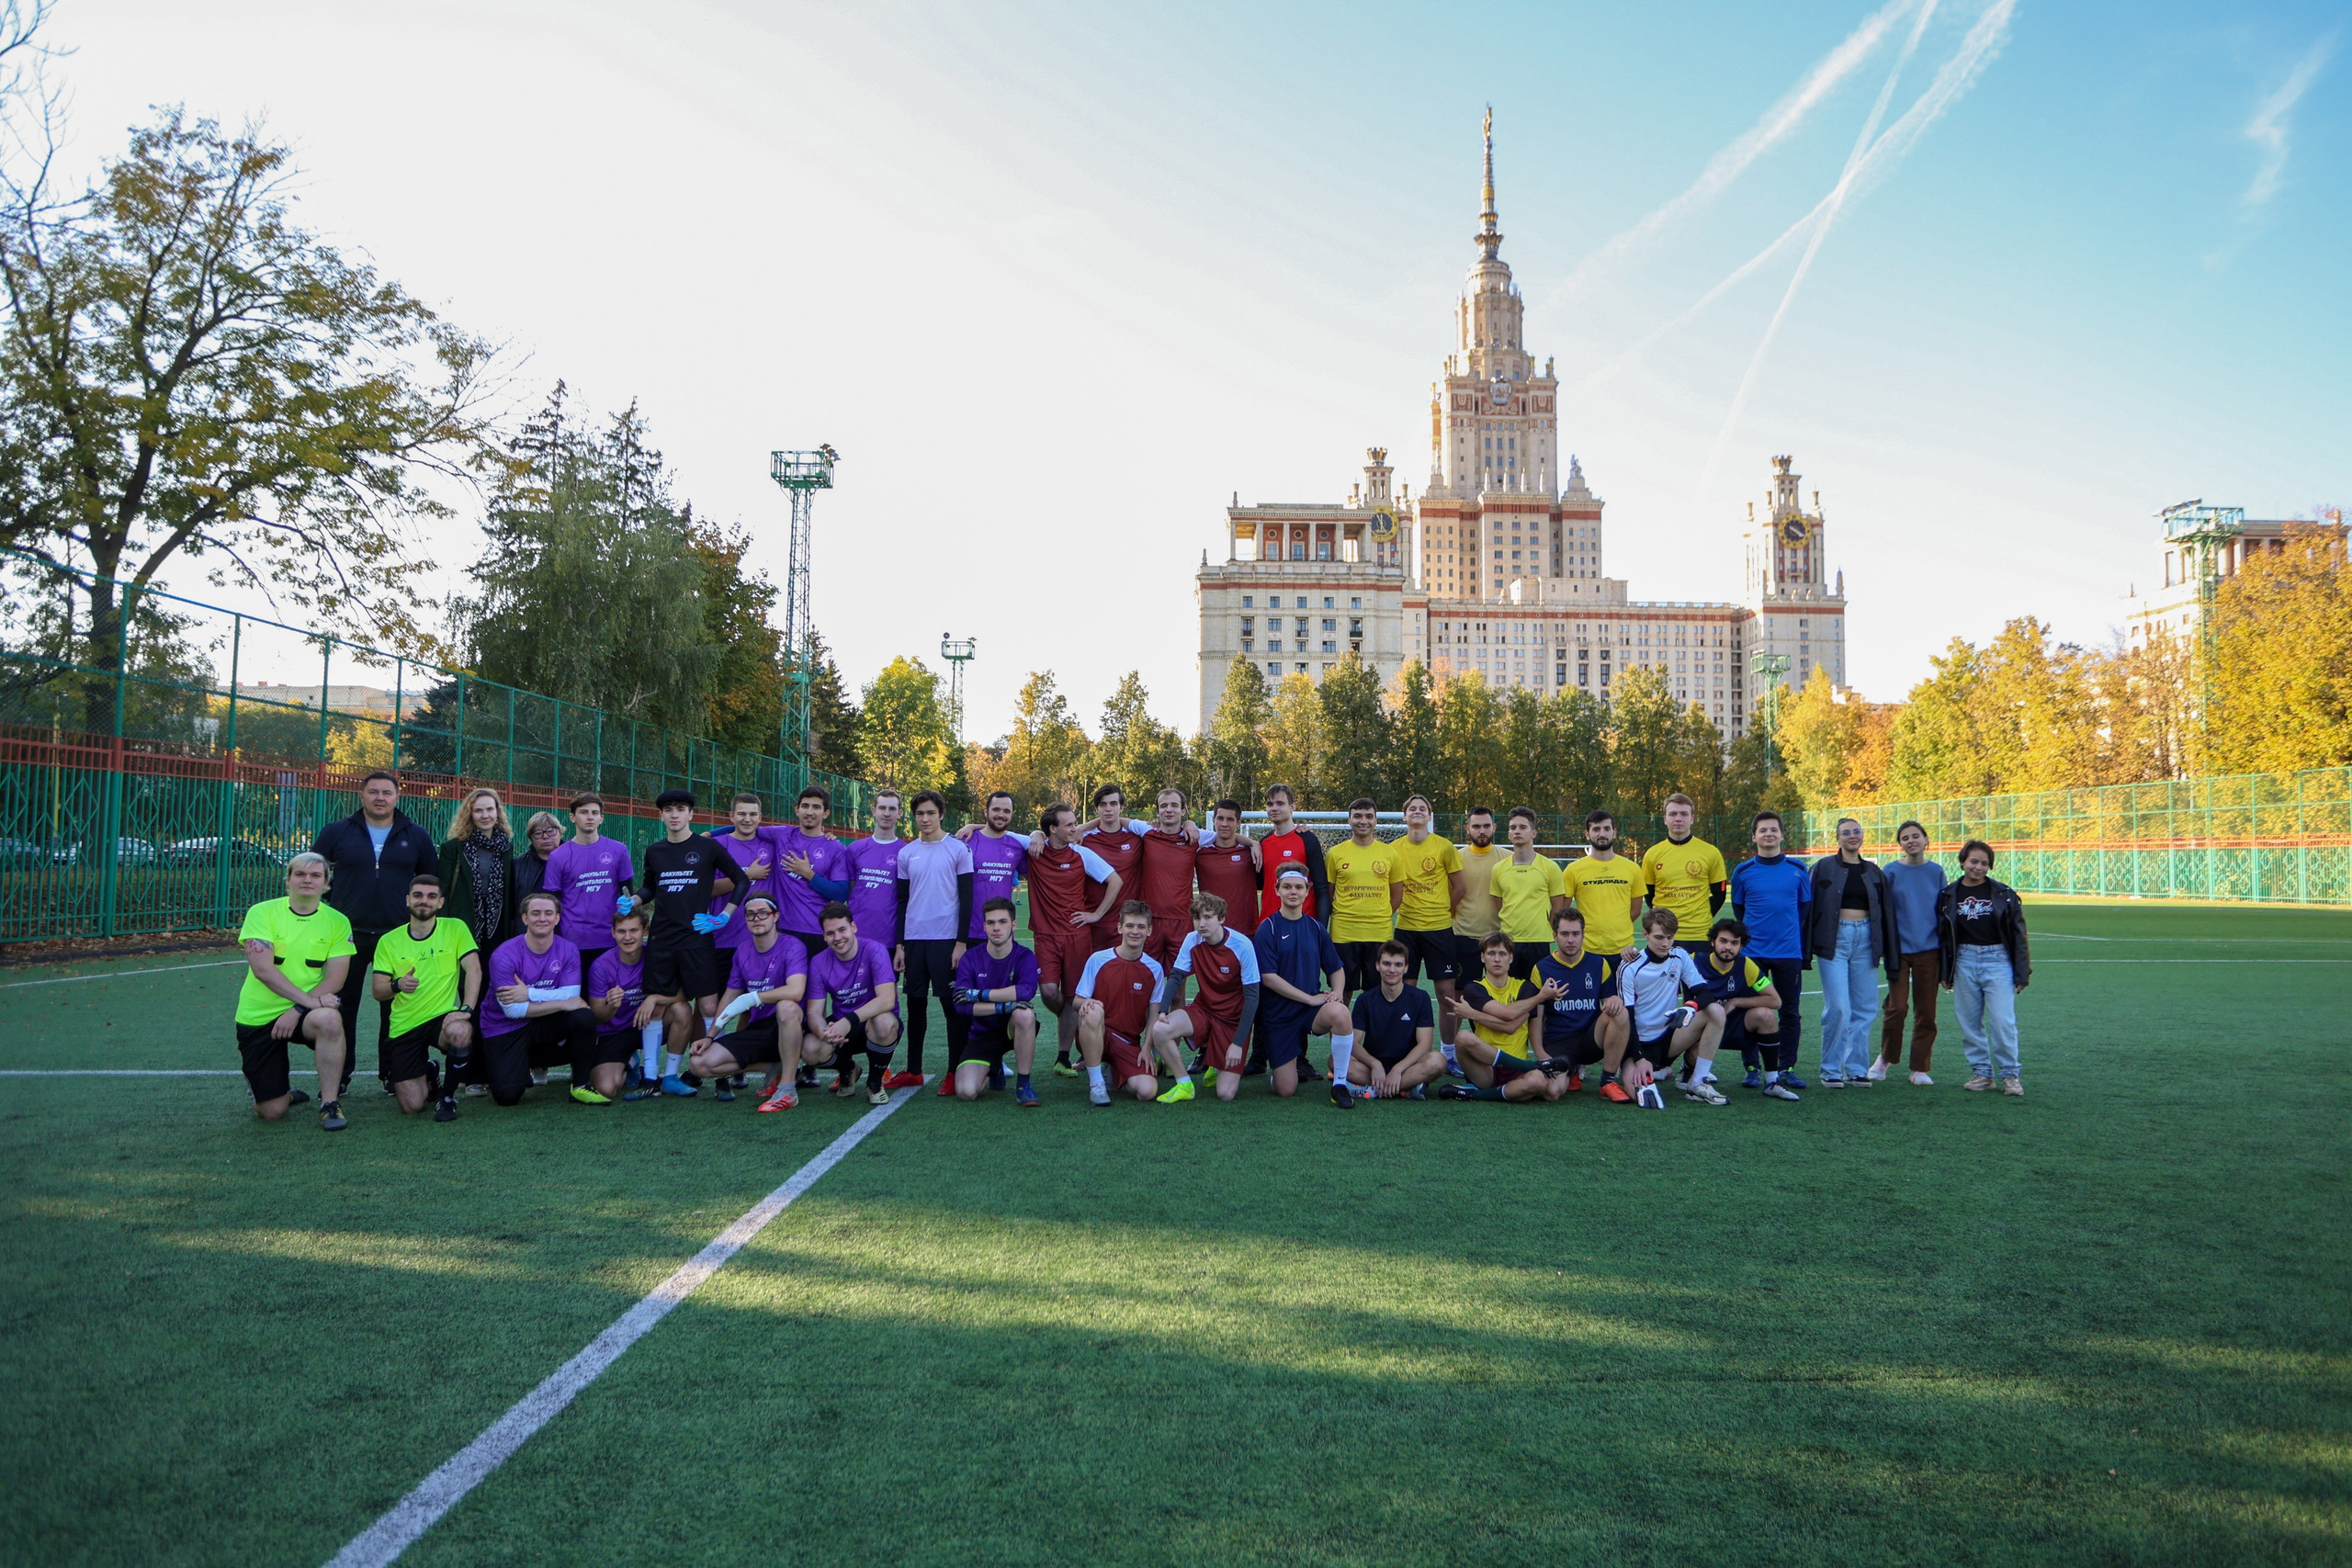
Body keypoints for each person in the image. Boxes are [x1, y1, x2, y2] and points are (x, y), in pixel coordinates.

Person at [311, 769, 437, 1096]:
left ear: (397, 797)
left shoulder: (416, 835)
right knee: (341, 1006)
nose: (380, 798)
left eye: (387, 792)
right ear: (362, 795)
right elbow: (313, 872)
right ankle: (339, 1077)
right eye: (374, 792)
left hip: (397, 936)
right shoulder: (337, 832)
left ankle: (393, 1073)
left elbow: (430, 883)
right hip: (347, 935)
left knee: (396, 1005)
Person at [639, 788, 752, 1096]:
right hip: (661, 940)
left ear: (691, 814)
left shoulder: (707, 847)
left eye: (680, 809)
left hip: (697, 940)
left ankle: (720, 1075)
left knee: (709, 1005)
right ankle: (653, 1077)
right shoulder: (655, 851)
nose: (674, 814)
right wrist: (633, 900)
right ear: (661, 816)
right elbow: (649, 888)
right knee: (657, 1008)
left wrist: (725, 915)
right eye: (668, 810)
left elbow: (742, 880)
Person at [233, 853, 354, 1130]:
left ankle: (330, 1104)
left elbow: (336, 979)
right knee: (272, 1112)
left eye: (315, 875)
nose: (307, 880)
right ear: (287, 880)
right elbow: (263, 970)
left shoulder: (338, 922)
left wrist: (298, 1010)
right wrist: (309, 1001)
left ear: (326, 884)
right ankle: (282, 1095)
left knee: (329, 1018)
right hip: (259, 1015)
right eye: (300, 874)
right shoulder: (261, 913)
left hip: (304, 1013)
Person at [368, 873, 481, 1121]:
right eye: (418, 895)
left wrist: (466, 1009)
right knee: (412, 1106)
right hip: (405, 1025)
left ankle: (447, 1098)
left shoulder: (455, 928)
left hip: (441, 1017)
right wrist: (397, 984)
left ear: (440, 902)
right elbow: (377, 991)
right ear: (408, 900)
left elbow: (474, 969)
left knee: (461, 1030)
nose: (424, 901)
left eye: (431, 896)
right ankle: (429, 1071)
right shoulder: (389, 941)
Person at [1026, 803, 1123, 1077]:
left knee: (1072, 996)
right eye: (1068, 825)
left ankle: (1062, 1058)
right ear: (1052, 829)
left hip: (1077, 936)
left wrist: (1096, 914)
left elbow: (1115, 881)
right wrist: (1035, 834)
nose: (1074, 828)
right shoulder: (1035, 849)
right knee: (1048, 991)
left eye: (1074, 823)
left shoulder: (1082, 854)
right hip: (1046, 936)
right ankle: (1067, 1017)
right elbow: (1001, 833)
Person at [479, 889, 600, 1105]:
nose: (542, 918)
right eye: (535, 913)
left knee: (583, 1017)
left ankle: (581, 1086)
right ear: (525, 918)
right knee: (507, 1096)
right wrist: (562, 1002)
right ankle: (516, 1065)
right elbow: (512, 1010)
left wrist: (528, 993)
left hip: (543, 1021)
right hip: (505, 1026)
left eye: (548, 913)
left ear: (557, 918)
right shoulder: (504, 956)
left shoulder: (568, 950)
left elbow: (572, 996)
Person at [1250, 865, 1356, 1106]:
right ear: (1277, 890)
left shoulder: (1316, 928)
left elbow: (1336, 968)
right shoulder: (1268, 928)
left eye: (1299, 887)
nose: (1293, 892)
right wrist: (1309, 998)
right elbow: (1268, 977)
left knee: (1340, 1012)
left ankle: (1340, 1084)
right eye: (1287, 887)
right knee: (1286, 1089)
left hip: (1310, 1011)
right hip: (1279, 1015)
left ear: (1307, 891)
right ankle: (1281, 1071)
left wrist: (1337, 993)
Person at [688, 895, 808, 1109]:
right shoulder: (743, 951)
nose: (756, 918)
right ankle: (773, 1066)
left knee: (787, 1007)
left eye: (763, 913)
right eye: (750, 915)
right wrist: (709, 1036)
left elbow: (796, 991)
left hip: (788, 1026)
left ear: (775, 916)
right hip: (758, 1029)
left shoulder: (792, 946)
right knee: (698, 1064)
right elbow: (729, 997)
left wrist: (754, 997)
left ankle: (787, 1089)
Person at [1807, 817, 1898, 1088]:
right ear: (1838, 838)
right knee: (1838, 1007)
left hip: (1867, 941)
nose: (1852, 836)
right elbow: (1808, 906)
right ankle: (1831, 1070)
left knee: (1864, 1008)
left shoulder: (1874, 872)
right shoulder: (1823, 867)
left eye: (1856, 831)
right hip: (1834, 940)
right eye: (1846, 832)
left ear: (1862, 836)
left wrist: (1888, 952)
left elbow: (1887, 913)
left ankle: (1857, 1069)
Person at [1727, 810, 1812, 1091]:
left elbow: (1803, 908)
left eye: (1773, 829)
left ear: (1782, 835)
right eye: (1762, 830)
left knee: (1790, 1011)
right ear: (1754, 837)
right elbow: (1739, 910)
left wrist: (1785, 931)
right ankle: (1752, 1068)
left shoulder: (1798, 869)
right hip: (1754, 954)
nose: (1768, 834)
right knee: (1753, 1009)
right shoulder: (1743, 872)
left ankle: (1787, 1068)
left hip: (1788, 953)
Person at [897, 790, 975, 1093]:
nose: (925, 818)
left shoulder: (958, 850)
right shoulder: (907, 853)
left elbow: (967, 899)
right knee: (915, 1005)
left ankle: (954, 1072)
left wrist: (961, 942)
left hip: (946, 940)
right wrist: (901, 944)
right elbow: (903, 901)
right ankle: (914, 1070)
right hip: (915, 941)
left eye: (930, 813)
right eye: (920, 814)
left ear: (941, 814)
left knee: (951, 1007)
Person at [1149, 891, 1261, 1103]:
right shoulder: (1192, 940)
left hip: (1232, 1020)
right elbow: (1176, 975)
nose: (1201, 924)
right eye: (1197, 918)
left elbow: (1252, 998)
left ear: (1222, 919)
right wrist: (1163, 1009)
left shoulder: (1242, 945)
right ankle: (1184, 1084)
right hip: (1204, 1010)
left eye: (1208, 917)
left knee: (1225, 1094)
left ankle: (1216, 1065)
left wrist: (1237, 1043)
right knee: (1160, 1029)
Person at [1939, 840, 2030, 1096]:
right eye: (1973, 861)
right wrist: (1945, 972)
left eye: (1984, 863)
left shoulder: (2004, 894)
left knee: (2003, 1022)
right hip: (1964, 961)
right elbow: (1944, 937)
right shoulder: (1948, 895)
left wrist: (2022, 972)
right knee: (1969, 1022)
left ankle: (2010, 1074)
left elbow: (2019, 934)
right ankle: (1982, 1073)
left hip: (1998, 960)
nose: (1978, 867)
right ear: (1963, 862)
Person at [1611, 908, 1728, 1107]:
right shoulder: (1630, 966)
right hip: (1637, 1044)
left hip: (1669, 1039)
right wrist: (1639, 1059)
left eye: (1670, 937)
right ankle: (1640, 1067)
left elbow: (1706, 994)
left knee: (1716, 1011)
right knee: (1640, 1096)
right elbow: (1627, 1020)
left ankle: (1698, 1082)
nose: (1665, 943)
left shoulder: (1680, 956)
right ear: (1645, 934)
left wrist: (1691, 1006)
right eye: (1659, 937)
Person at [1437, 932, 1569, 1102]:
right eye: (1491, 954)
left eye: (1502, 954)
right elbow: (1508, 1015)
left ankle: (1474, 1094)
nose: (1497, 959)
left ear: (1511, 958)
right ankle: (1528, 1072)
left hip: (1517, 1070)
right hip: (1484, 1069)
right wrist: (1540, 997)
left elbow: (1511, 1026)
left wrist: (1472, 1014)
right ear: (1483, 957)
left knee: (1543, 1084)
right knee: (1462, 1037)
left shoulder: (1526, 988)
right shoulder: (1474, 988)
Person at [803, 902, 904, 1105]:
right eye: (830, 933)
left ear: (854, 927)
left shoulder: (875, 950)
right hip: (842, 1030)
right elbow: (814, 1012)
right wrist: (825, 1032)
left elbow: (887, 999)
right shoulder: (818, 962)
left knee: (884, 1023)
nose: (837, 937)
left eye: (842, 930)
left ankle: (874, 1082)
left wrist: (848, 1021)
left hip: (871, 1024)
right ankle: (848, 1069)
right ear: (824, 936)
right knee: (809, 1049)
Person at [1685, 919, 1794, 1101]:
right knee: (1694, 1054)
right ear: (1712, 942)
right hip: (1701, 1028)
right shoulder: (1694, 961)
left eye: (1734, 943)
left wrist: (1735, 1002)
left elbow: (1775, 1001)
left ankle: (1772, 1082)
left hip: (1734, 1026)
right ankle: (1688, 1071)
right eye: (1723, 941)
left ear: (1741, 946)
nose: (1728, 947)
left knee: (1766, 1015)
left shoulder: (1746, 965)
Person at [1073, 902, 1170, 1105]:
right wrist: (1088, 1003)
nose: (1135, 931)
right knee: (1093, 1010)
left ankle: (1114, 1072)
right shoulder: (1098, 959)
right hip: (1097, 1031)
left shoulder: (1155, 969)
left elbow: (1154, 1014)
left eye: (1141, 927)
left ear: (1149, 930)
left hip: (1128, 1043)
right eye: (1130, 926)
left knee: (1147, 1091)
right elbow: (1077, 1001)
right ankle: (1096, 1083)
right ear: (1120, 928)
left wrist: (1147, 1048)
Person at [1877, 819, 1948, 1085]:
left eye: (1915, 836)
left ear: (1926, 839)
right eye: (1905, 838)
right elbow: (1883, 909)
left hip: (1929, 951)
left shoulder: (1936, 871)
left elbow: (1943, 911)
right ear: (1900, 844)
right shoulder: (1890, 871)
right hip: (1898, 951)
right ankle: (1885, 1058)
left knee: (1926, 1011)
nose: (1911, 841)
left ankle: (1920, 1067)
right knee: (1897, 1008)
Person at [950, 897, 1041, 1104]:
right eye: (991, 923)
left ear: (1013, 925)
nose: (996, 928)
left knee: (1025, 1014)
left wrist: (979, 995)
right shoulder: (971, 958)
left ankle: (1023, 1085)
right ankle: (994, 1069)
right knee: (966, 1092)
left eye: (1002, 922)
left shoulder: (1024, 956)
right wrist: (1004, 1006)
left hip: (1013, 1028)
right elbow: (961, 1005)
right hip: (982, 1033)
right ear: (984, 926)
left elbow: (1026, 991)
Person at [1531, 907, 1628, 1097]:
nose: (1571, 940)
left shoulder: (1598, 963)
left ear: (1583, 935)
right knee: (1552, 1092)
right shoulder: (1541, 968)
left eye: (1576, 934)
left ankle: (1607, 1081)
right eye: (1564, 934)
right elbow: (1536, 1017)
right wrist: (1540, 1053)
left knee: (1620, 1011)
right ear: (1555, 936)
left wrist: (1615, 999)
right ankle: (1571, 1070)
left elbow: (1609, 1002)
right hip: (1558, 1042)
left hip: (1590, 1039)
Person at [541, 793, 636, 982]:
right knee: (577, 996)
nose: (590, 817)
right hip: (573, 940)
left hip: (610, 939)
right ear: (573, 817)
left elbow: (628, 895)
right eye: (584, 812)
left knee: (609, 995)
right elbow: (552, 903)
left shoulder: (618, 850)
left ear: (601, 818)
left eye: (595, 813)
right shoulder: (558, 856)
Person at [589, 906, 676, 1103]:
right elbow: (596, 1014)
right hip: (615, 1033)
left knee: (681, 1010)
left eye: (634, 930)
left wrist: (653, 999)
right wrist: (612, 1006)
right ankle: (630, 1062)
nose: (628, 937)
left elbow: (684, 995)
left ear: (645, 930)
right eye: (621, 931)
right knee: (606, 1089)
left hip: (648, 1024)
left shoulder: (656, 956)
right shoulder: (601, 966)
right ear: (613, 933)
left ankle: (671, 1076)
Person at [1324, 797, 1404, 997]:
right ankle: (1341, 1020)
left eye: (1369, 816)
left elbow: (1397, 896)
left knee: (1377, 993)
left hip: (1379, 933)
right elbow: (1328, 895)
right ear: (1349, 820)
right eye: (1358, 816)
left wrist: (1379, 914)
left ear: (1376, 820)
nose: (1363, 821)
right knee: (1342, 992)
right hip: (1343, 934)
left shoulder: (1390, 853)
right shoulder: (1335, 854)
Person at [1346, 941, 1443, 1100]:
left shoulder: (1420, 998)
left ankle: (1376, 1089)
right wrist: (1374, 1064)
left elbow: (1425, 1045)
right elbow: (1353, 1043)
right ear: (1377, 965)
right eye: (1386, 964)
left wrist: (1398, 1069)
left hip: (1408, 1066)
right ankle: (1406, 1088)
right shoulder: (1365, 999)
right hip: (1372, 1067)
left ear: (1406, 968)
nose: (1392, 970)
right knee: (1336, 1061)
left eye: (1398, 965)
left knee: (1437, 1061)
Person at [1388, 794, 1464, 989]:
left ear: (1429, 816)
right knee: (1404, 990)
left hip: (1439, 928)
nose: (1417, 811)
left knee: (1445, 992)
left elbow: (1460, 888)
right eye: (1412, 809)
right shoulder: (1392, 850)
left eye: (1422, 809)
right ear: (1404, 816)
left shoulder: (1445, 847)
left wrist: (1441, 910)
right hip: (1406, 928)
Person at [1640, 793, 1727, 957]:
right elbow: (1649, 894)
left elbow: (1719, 894)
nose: (1678, 819)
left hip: (1699, 935)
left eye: (1684, 814)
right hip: (1664, 934)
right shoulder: (1652, 854)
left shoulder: (1711, 852)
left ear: (1692, 819)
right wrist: (1663, 920)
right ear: (1665, 819)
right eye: (1673, 814)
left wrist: (1700, 916)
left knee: (1697, 975)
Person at [770, 786, 852, 956]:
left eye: (816, 807)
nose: (809, 812)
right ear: (797, 810)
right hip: (783, 929)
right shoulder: (782, 835)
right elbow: (747, 828)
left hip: (817, 931)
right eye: (805, 806)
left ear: (826, 813)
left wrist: (809, 874)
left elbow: (841, 894)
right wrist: (712, 835)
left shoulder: (835, 848)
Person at [1444, 807, 1503, 1043]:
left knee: (1498, 995)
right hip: (1464, 936)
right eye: (1476, 826)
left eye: (1486, 826)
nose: (1482, 831)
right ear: (1467, 828)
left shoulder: (1507, 858)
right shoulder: (1456, 858)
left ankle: (1495, 1047)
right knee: (1459, 996)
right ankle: (1450, 1050)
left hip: (1498, 939)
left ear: (1494, 828)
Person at [1489, 807, 1567, 978]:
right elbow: (1499, 904)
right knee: (1511, 989)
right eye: (1513, 828)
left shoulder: (1550, 867)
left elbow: (1557, 906)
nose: (1517, 831)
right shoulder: (1498, 869)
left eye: (1523, 827)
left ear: (1533, 833)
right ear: (1509, 834)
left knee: (1538, 989)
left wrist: (1545, 928)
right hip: (1509, 940)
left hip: (1538, 941)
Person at [437, 786, 517, 951]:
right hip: (463, 918)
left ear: (497, 812)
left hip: (498, 920)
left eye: (490, 809)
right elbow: (442, 889)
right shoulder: (453, 848)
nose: (485, 815)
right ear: (470, 814)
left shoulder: (506, 847)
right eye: (478, 811)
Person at [1562, 808, 1643, 963]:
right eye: (1596, 829)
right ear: (1587, 834)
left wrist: (1616, 926)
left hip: (1624, 952)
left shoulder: (1632, 868)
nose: (1602, 834)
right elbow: (1563, 912)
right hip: (1587, 950)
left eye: (1607, 829)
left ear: (1614, 832)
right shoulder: (1573, 870)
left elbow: (1636, 910)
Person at [1134, 787, 1201, 965]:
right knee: (1147, 976)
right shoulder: (1146, 831)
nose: (1169, 809)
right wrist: (1082, 828)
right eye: (1164, 806)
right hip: (1150, 918)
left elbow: (1228, 838)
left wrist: (1252, 843)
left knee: (1178, 977)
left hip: (1181, 919)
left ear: (1183, 811)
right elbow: (1115, 820)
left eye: (1174, 805)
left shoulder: (1194, 837)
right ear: (1157, 811)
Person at [1077, 785, 1145, 952]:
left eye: (1113, 804)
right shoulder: (1083, 839)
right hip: (1092, 922)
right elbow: (1053, 837)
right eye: (1103, 804)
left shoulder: (1137, 837)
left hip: (1127, 923)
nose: (1108, 809)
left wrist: (1189, 823)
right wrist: (1038, 834)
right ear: (1097, 809)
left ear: (1122, 807)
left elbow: (1168, 829)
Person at [1254, 784, 1330, 928]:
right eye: (1270, 804)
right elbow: (1259, 884)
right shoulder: (1263, 843)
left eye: (1280, 803)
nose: (1274, 808)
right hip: (1270, 925)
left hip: (1302, 925)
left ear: (1292, 807)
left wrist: (1320, 929)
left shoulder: (1307, 839)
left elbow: (1321, 889)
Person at [962, 791, 1029, 940]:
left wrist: (1039, 834)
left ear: (1012, 814)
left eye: (1006, 811)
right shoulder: (966, 841)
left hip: (1003, 935)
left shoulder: (1017, 847)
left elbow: (1036, 879)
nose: (1001, 815)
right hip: (969, 933)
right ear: (986, 811)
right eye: (996, 809)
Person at [1193, 799, 1262, 940]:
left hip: (1246, 931)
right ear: (1213, 820)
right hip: (1212, 932)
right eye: (1220, 818)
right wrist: (1189, 823)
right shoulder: (1200, 853)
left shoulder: (1251, 853)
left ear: (1239, 823)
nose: (1224, 824)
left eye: (1230, 819)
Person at [513, 811, 564, 906]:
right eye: (538, 833)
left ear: (560, 833)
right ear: (531, 838)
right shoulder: (517, 866)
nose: (545, 836)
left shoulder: (574, 861)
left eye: (551, 831)